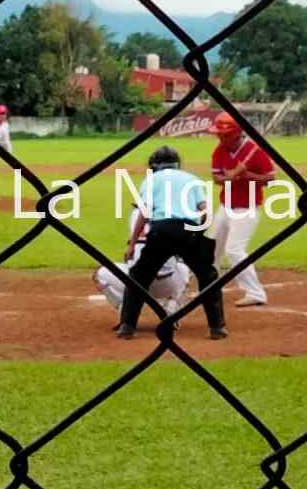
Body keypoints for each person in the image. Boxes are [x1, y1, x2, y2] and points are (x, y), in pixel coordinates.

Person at [115, 146, 226, 341]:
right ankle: (217, 327)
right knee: (207, 275)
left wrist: (132, 243)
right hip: (189, 229)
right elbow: (205, 210)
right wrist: (198, 234)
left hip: (161, 230)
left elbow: (144, 213)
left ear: (154, 166)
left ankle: (127, 326)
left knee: (139, 275)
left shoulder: (150, 180)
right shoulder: (190, 178)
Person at [208, 112, 275, 307]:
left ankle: (256, 293)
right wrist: (228, 178)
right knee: (211, 249)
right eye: (219, 134)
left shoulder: (255, 151)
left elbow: (270, 179)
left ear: (237, 133)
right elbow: (216, 178)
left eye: (225, 134)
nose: (221, 138)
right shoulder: (219, 151)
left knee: (234, 249)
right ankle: (211, 288)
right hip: (225, 208)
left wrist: (247, 175)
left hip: (246, 209)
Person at [93, 204, 190, 321]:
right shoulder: (174, 215)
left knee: (99, 273)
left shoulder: (135, 215)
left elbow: (129, 256)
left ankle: (125, 309)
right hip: (166, 285)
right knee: (184, 268)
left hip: (134, 284)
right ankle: (172, 310)